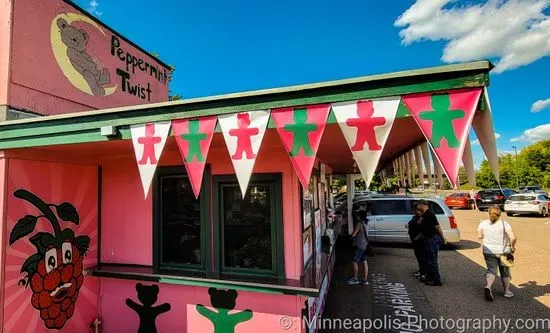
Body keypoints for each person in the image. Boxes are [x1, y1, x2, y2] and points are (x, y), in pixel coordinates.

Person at [477, 206, 517, 301]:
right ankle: (506, 291)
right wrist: (513, 246)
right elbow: (513, 238)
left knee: (491, 270)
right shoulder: (504, 224)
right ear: (500, 214)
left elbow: (479, 236)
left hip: (488, 251)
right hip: (504, 251)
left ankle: (488, 286)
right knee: (505, 271)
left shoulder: (483, 223)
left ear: (489, 213)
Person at [417, 199, 447, 286]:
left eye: (418, 205)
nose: (417, 207)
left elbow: (437, 226)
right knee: (428, 259)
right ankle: (430, 277)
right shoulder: (424, 214)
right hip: (428, 238)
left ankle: (436, 280)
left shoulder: (430, 214)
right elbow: (422, 226)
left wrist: (443, 237)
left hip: (433, 239)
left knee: (432, 260)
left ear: (422, 205)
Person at [346, 210, 370, 285]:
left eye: (357, 215)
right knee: (364, 261)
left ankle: (355, 278)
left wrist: (348, 237)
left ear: (360, 216)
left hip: (360, 246)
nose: (356, 216)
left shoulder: (359, 224)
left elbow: (353, 235)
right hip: (366, 246)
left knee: (354, 261)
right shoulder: (365, 224)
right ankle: (365, 279)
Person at [408, 205, 425, 279]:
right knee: (418, 256)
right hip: (414, 240)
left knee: (421, 257)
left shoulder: (421, 218)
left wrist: (417, 238)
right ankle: (421, 270)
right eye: (415, 210)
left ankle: (423, 272)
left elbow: (421, 229)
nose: (415, 212)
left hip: (419, 241)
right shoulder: (414, 217)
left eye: (417, 210)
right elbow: (411, 224)